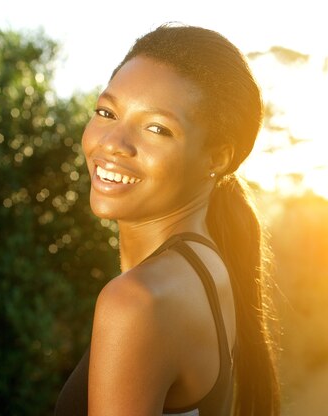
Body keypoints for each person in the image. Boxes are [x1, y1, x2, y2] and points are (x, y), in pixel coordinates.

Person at [55, 24, 280, 416]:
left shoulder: (137, 302)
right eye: (107, 112)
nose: (113, 143)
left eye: (156, 128)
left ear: (216, 158)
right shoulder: (211, 265)